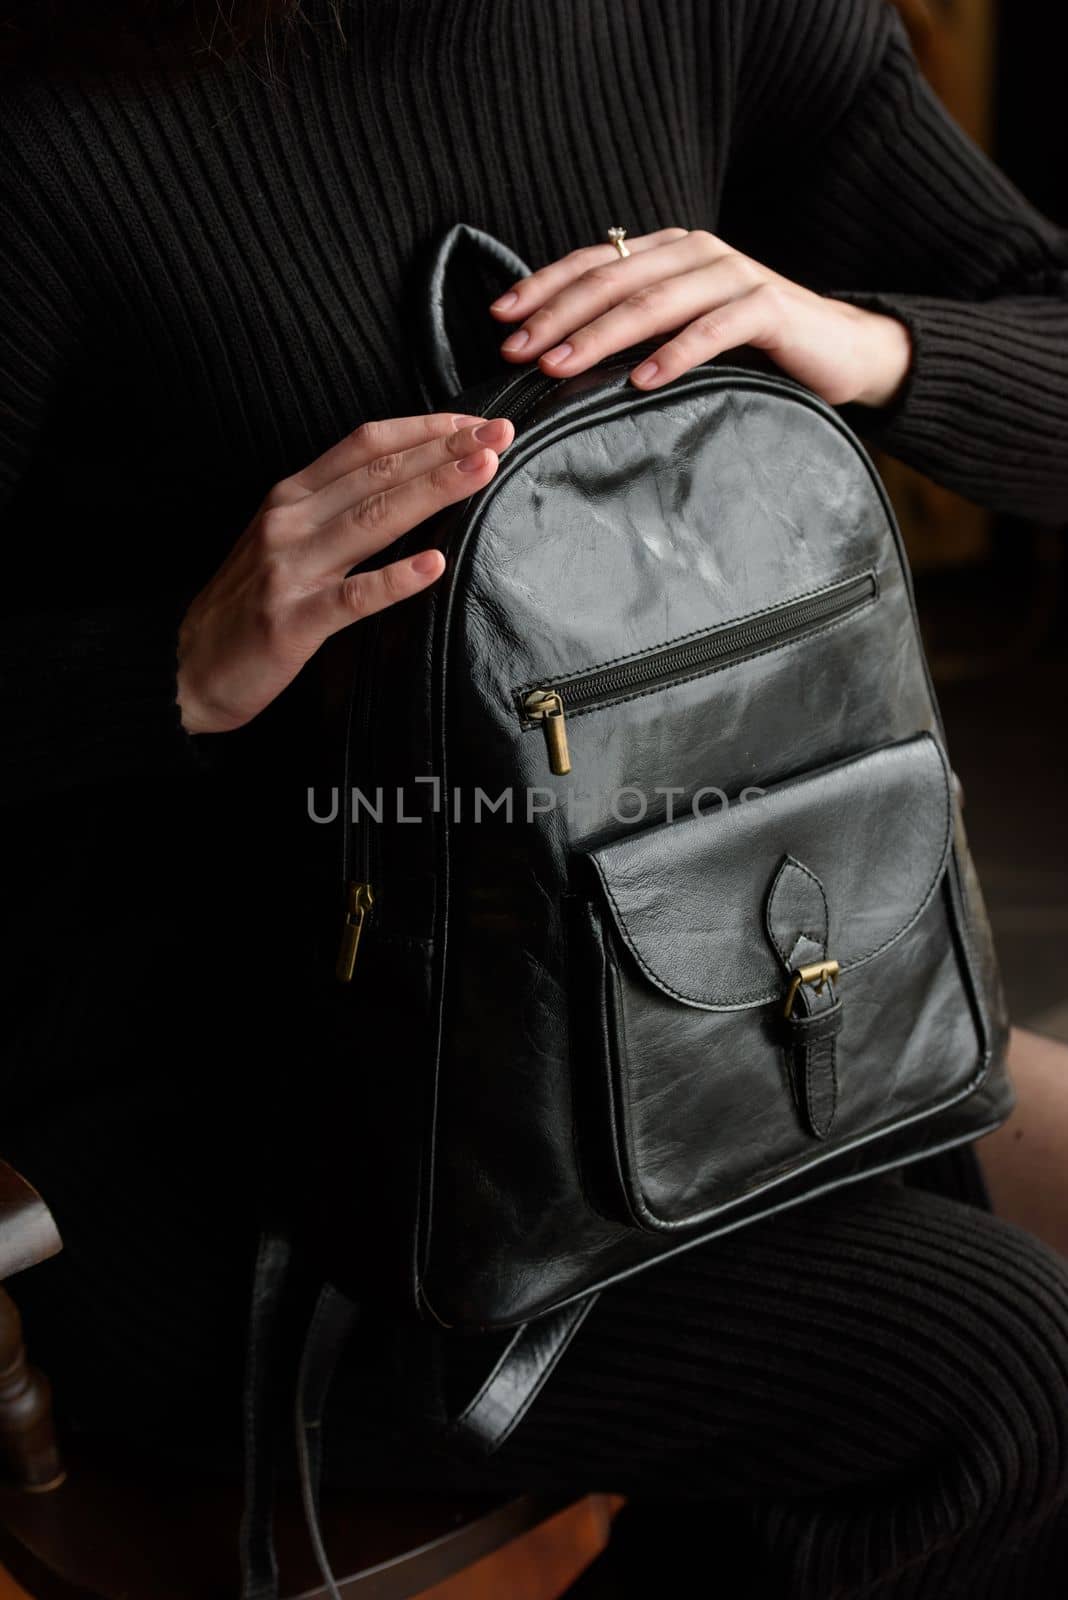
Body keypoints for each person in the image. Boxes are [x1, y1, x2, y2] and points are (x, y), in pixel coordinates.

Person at [1, 1, 1067, 1592]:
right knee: (1000, 1380)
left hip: (725, 1001)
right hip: (262, 1145)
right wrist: (168, 666)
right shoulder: (39, 121)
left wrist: (869, 344)